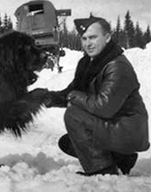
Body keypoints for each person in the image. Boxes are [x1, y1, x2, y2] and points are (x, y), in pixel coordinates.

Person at [44, 16, 149, 176]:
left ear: (107, 38)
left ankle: (103, 169)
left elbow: (103, 107)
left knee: (74, 115)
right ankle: (121, 158)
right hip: (117, 125)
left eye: (93, 37)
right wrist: (49, 98)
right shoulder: (90, 64)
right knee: (69, 142)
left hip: (129, 129)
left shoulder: (117, 67)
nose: (88, 43)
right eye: (84, 38)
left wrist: (73, 97)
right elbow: (72, 92)